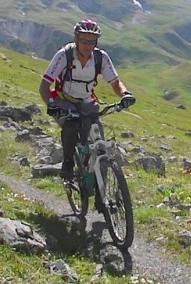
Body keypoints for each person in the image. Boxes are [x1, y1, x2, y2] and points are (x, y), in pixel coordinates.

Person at [38, 19, 136, 180]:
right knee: (71, 124)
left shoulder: (100, 57)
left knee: (99, 145)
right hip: (63, 99)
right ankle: (68, 164)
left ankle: (101, 197)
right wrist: (51, 104)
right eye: (83, 40)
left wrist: (125, 94)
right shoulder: (64, 55)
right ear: (76, 39)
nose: (87, 45)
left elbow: (115, 83)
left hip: (86, 101)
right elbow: (44, 86)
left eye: (92, 42)